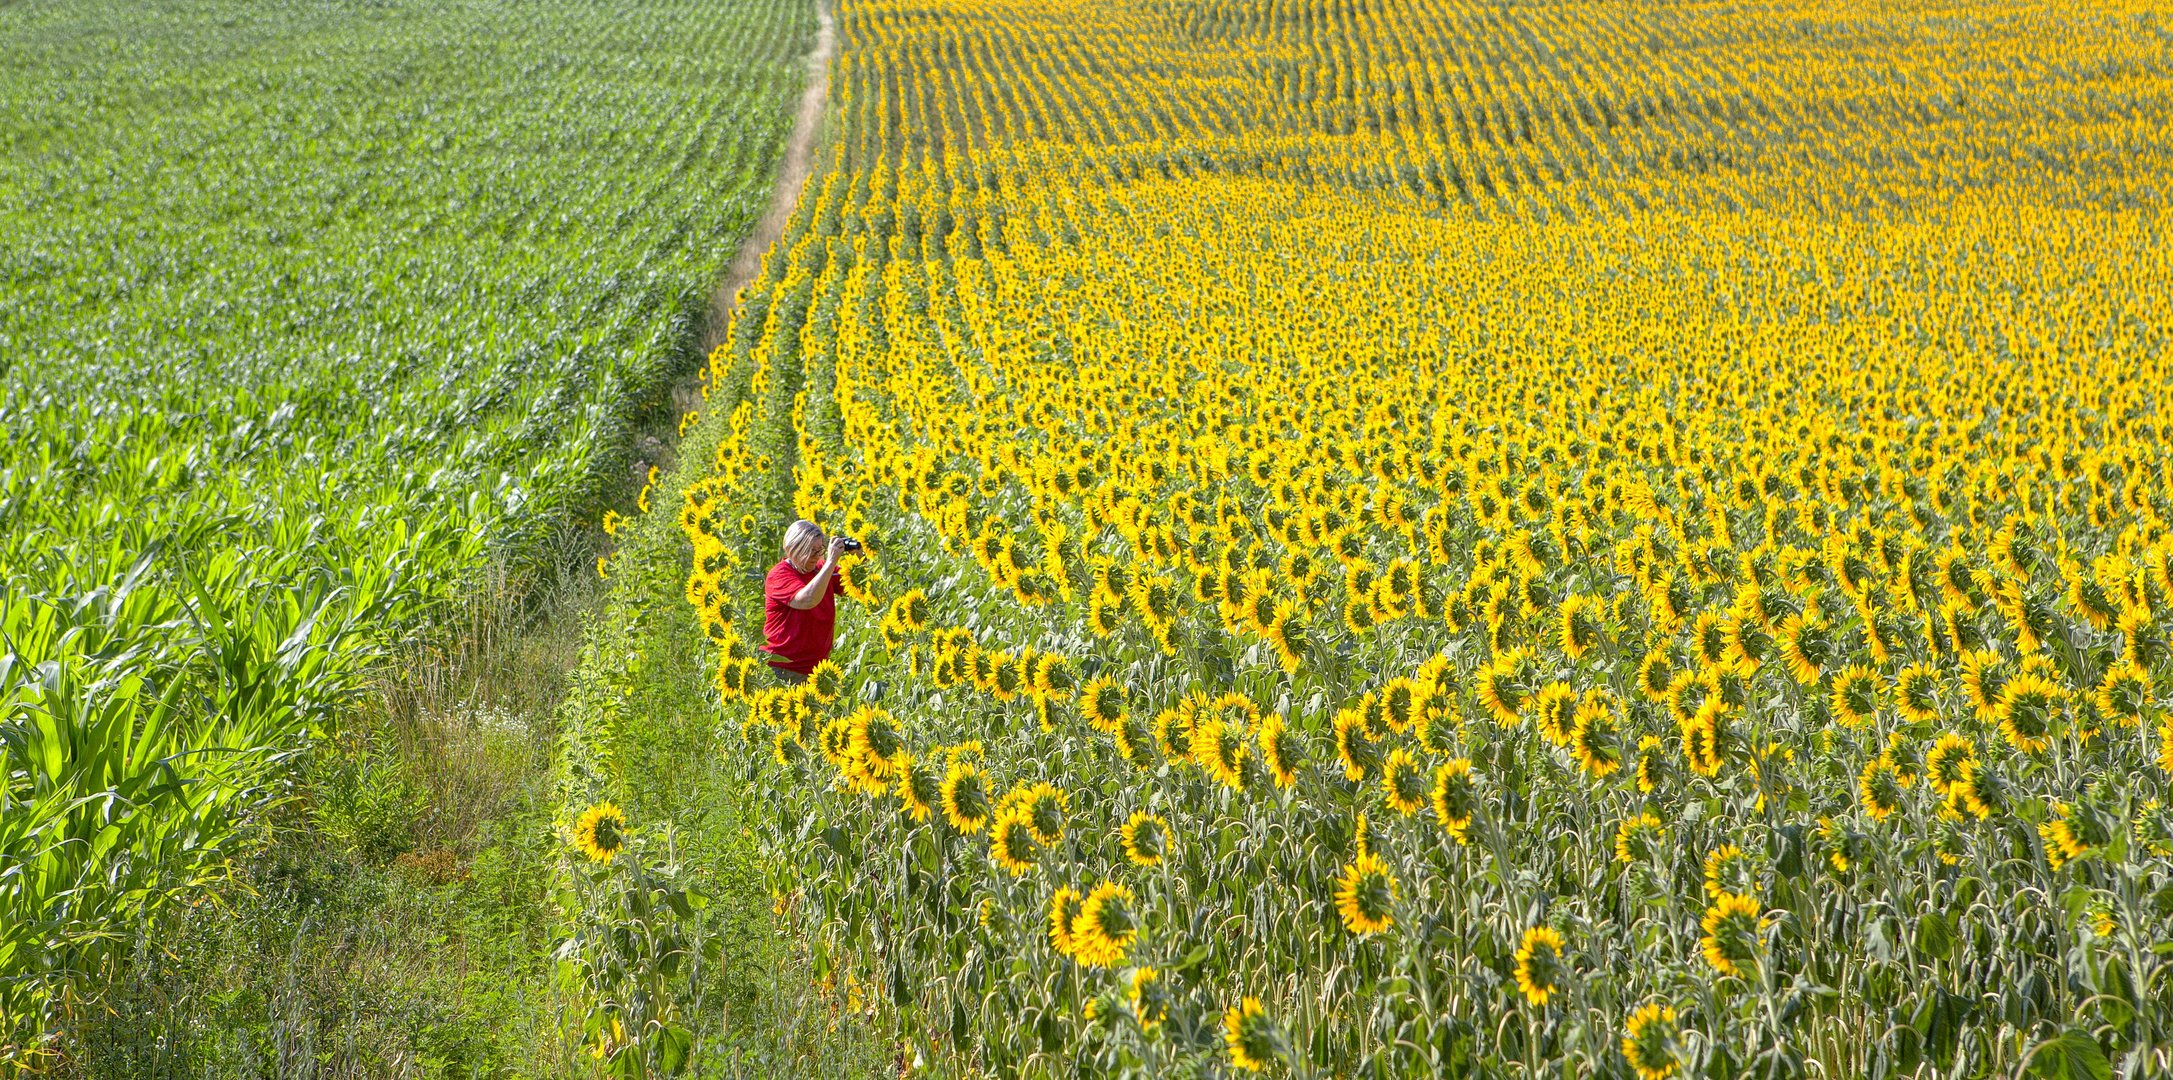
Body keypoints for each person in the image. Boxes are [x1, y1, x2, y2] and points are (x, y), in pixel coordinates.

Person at [761, 519, 851, 684]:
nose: (817, 556)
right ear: (795, 549)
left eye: (820, 550)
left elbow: (857, 584)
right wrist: (830, 562)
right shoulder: (779, 574)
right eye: (811, 551)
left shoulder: (822, 569)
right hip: (783, 670)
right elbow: (807, 600)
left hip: (816, 671)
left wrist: (859, 553)